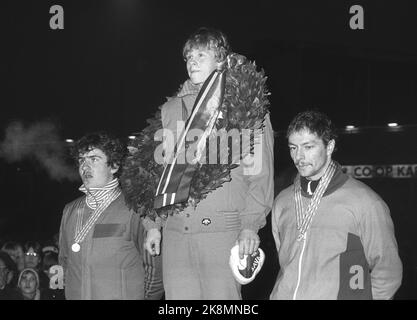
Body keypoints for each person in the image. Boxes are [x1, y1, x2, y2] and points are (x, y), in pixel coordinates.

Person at [144, 27, 274, 299]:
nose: (192, 62)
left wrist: (250, 225)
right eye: (188, 57)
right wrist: (153, 225)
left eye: (201, 55)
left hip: (221, 232)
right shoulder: (170, 110)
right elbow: (157, 171)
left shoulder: (247, 105)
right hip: (176, 232)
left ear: (221, 60)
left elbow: (259, 175)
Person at [270, 110, 403, 300]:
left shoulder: (365, 202)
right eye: (293, 148)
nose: (298, 157)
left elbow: (388, 272)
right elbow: (285, 262)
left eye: (308, 147)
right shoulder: (282, 201)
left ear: (329, 146)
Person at [58, 132, 161, 299]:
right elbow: (64, 262)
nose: (85, 166)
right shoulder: (69, 210)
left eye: (94, 159)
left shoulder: (135, 207)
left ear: (113, 166)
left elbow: (155, 268)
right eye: (81, 160)